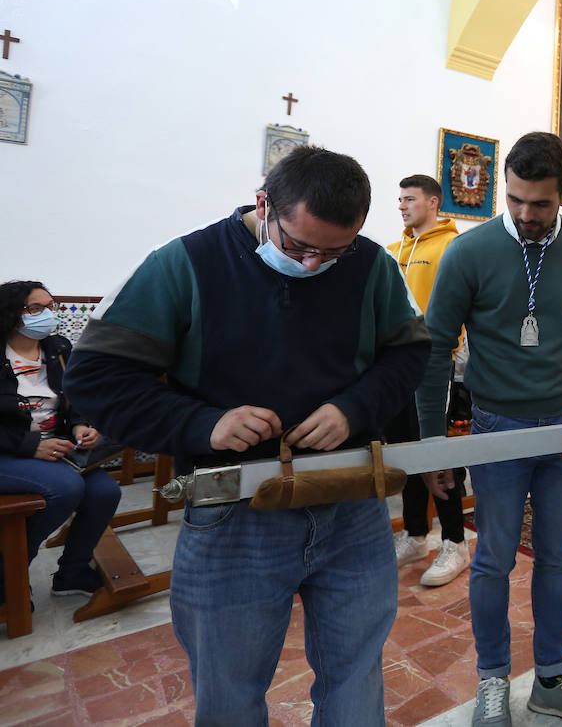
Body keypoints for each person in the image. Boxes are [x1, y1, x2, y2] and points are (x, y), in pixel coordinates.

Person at [63, 146, 430, 724]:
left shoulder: (370, 263)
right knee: (230, 691)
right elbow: (95, 377)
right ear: (264, 205)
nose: (315, 266)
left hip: (350, 503)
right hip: (233, 511)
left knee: (356, 674)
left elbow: (410, 353)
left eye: (334, 251)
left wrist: (355, 408)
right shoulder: (185, 263)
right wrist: (202, 424)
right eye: (300, 246)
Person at [417, 131, 562, 727]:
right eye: (515, 201)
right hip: (497, 427)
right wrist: (434, 446)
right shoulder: (469, 252)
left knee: (558, 557)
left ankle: (552, 679)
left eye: (541, 204)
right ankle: (492, 680)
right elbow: (434, 350)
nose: (527, 216)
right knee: (493, 561)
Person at [0, 281, 121, 599]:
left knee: (106, 492)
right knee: (66, 487)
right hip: (9, 450)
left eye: (50, 307)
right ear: (11, 314)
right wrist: (30, 446)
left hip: (54, 445)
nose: (47, 315)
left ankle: (72, 572)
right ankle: (6, 575)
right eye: (35, 309)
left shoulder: (58, 348)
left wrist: (81, 426)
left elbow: (75, 398)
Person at [387, 174, 471, 588]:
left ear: (434, 202)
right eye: (399, 200)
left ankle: (456, 541)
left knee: (439, 455)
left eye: (410, 199)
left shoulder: (452, 248)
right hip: (397, 368)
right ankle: (416, 535)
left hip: (438, 366)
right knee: (407, 455)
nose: (402, 206)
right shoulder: (392, 249)